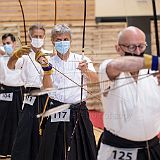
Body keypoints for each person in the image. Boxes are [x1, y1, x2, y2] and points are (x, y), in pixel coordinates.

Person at [35, 24, 98, 160]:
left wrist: (85, 70)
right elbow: (47, 89)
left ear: (70, 40)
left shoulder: (82, 60)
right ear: (52, 41)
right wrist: (46, 71)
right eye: (58, 40)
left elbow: (95, 80)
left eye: (65, 39)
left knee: (83, 148)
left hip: (78, 109)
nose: (62, 42)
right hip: (57, 109)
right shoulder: (49, 62)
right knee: (54, 148)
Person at [97, 26, 160, 160]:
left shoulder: (154, 73)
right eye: (131, 47)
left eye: (141, 46)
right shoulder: (108, 68)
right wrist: (156, 61)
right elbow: (118, 65)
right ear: (118, 48)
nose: (137, 51)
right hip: (118, 150)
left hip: (152, 148)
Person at [7, 24, 49, 160]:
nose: (38, 38)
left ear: (44, 37)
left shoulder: (49, 54)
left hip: (46, 96)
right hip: (30, 95)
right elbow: (11, 65)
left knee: (44, 131)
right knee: (24, 129)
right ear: (30, 37)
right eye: (35, 36)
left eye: (40, 36)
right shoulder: (24, 55)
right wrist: (15, 54)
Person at [0, 33, 24, 158]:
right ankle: (2, 150)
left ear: (14, 44)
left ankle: (15, 150)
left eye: (8, 43)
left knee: (17, 122)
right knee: (3, 121)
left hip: (18, 92)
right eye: (4, 44)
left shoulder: (20, 58)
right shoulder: (1, 58)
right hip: (4, 92)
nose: (6, 46)